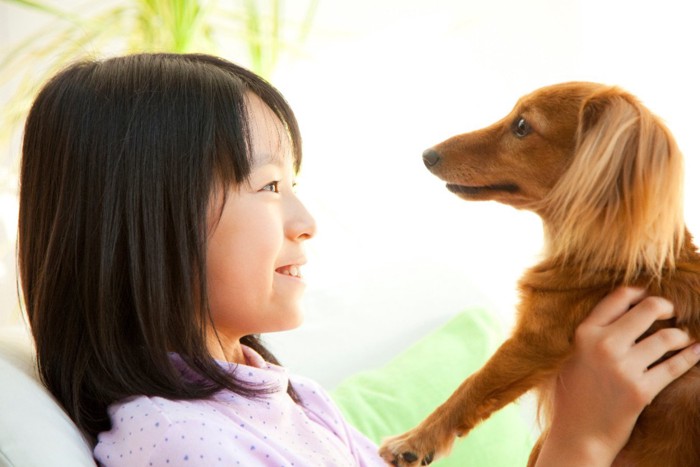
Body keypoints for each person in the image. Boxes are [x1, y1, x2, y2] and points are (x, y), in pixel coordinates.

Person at [17, 53, 699, 467]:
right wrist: (579, 441)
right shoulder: (175, 440)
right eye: (269, 187)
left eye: (297, 185)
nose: (307, 223)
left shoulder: (278, 393)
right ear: (149, 220)